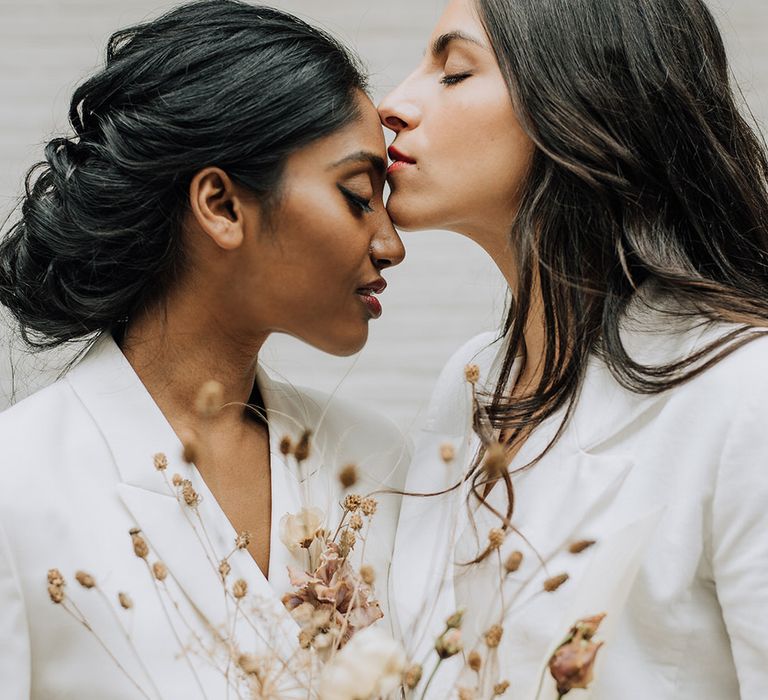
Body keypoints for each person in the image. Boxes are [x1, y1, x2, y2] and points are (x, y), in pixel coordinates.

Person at [0, 2, 408, 697]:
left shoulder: (375, 464)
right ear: (220, 204)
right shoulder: (18, 486)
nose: (391, 244)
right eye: (359, 195)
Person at [379, 0, 768, 697]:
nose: (393, 104)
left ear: (581, 99)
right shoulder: (470, 380)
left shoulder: (747, 394)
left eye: (456, 71)